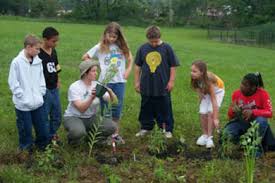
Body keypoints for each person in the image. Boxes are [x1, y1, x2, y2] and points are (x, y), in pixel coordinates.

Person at [82, 22, 133, 144]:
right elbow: (85, 56)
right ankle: (104, 135)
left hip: (119, 82)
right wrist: (96, 65)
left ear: (118, 37)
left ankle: (115, 135)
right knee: (105, 109)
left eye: (114, 37)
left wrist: (128, 70)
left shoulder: (122, 47)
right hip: (103, 82)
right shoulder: (100, 46)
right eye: (109, 36)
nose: (111, 39)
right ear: (105, 34)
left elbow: (130, 58)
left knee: (117, 108)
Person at [134, 25, 180, 138]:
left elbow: (173, 66)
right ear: (147, 39)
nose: (154, 44)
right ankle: (146, 127)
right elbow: (137, 66)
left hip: (163, 85)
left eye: (156, 41)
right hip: (146, 85)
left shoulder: (167, 48)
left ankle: (166, 129)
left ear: (160, 37)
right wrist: (137, 82)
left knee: (164, 107)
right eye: (151, 42)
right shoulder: (142, 48)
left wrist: (171, 81)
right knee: (146, 106)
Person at [8, 34, 49, 151]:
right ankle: (26, 151)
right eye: (37, 49)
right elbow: (13, 82)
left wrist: (41, 92)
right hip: (23, 105)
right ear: (28, 47)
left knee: (42, 129)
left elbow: (41, 79)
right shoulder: (17, 62)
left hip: (38, 102)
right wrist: (22, 97)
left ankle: (42, 148)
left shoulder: (38, 62)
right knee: (25, 130)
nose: (38, 51)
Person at [63, 60, 117, 146]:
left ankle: (92, 140)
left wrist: (109, 91)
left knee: (111, 127)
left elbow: (113, 101)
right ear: (85, 73)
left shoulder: (96, 85)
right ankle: (73, 142)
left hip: (91, 117)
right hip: (74, 117)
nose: (96, 73)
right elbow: (81, 109)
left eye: (96, 71)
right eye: (93, 71)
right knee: (78, 132)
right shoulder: (75, 87)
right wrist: (91, 97)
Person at [224, 73, 273, 156]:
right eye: (242, 83)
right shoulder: (236, 94)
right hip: (241, 122)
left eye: (244, 85)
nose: (241, 86)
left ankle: (255, 148)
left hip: (256, 123)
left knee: (261, 120)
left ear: (253, 88)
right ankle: (243, 143)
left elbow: (269, 113)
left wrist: (253, 112)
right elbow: (230, 115)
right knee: (226, 133)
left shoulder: (263, 94)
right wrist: (232, 111)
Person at [191, 60, 225, 148]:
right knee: (202, 112)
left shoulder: (209, 81)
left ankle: (210, 137)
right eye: (191, 71)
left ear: (202, 72)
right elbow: (197, 87)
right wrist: (201, 95)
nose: (192, 73)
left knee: (210, 112)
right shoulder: (195, 78)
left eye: (194, 71)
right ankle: (205, 135)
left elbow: (214, 100)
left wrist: (216, 117)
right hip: (207, 92)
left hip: (217, 92)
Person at [39, 27, 62, 141]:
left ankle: (52, 133)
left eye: (57, 41)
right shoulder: (38, 53)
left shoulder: (54, 51)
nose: (55, 43)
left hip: (54, 87)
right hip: (45, 89)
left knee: (57, 115)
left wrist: (58, 79)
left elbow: (56, 65)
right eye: (53, 41)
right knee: (44, 115)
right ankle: (46, 138)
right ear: (45, 39)